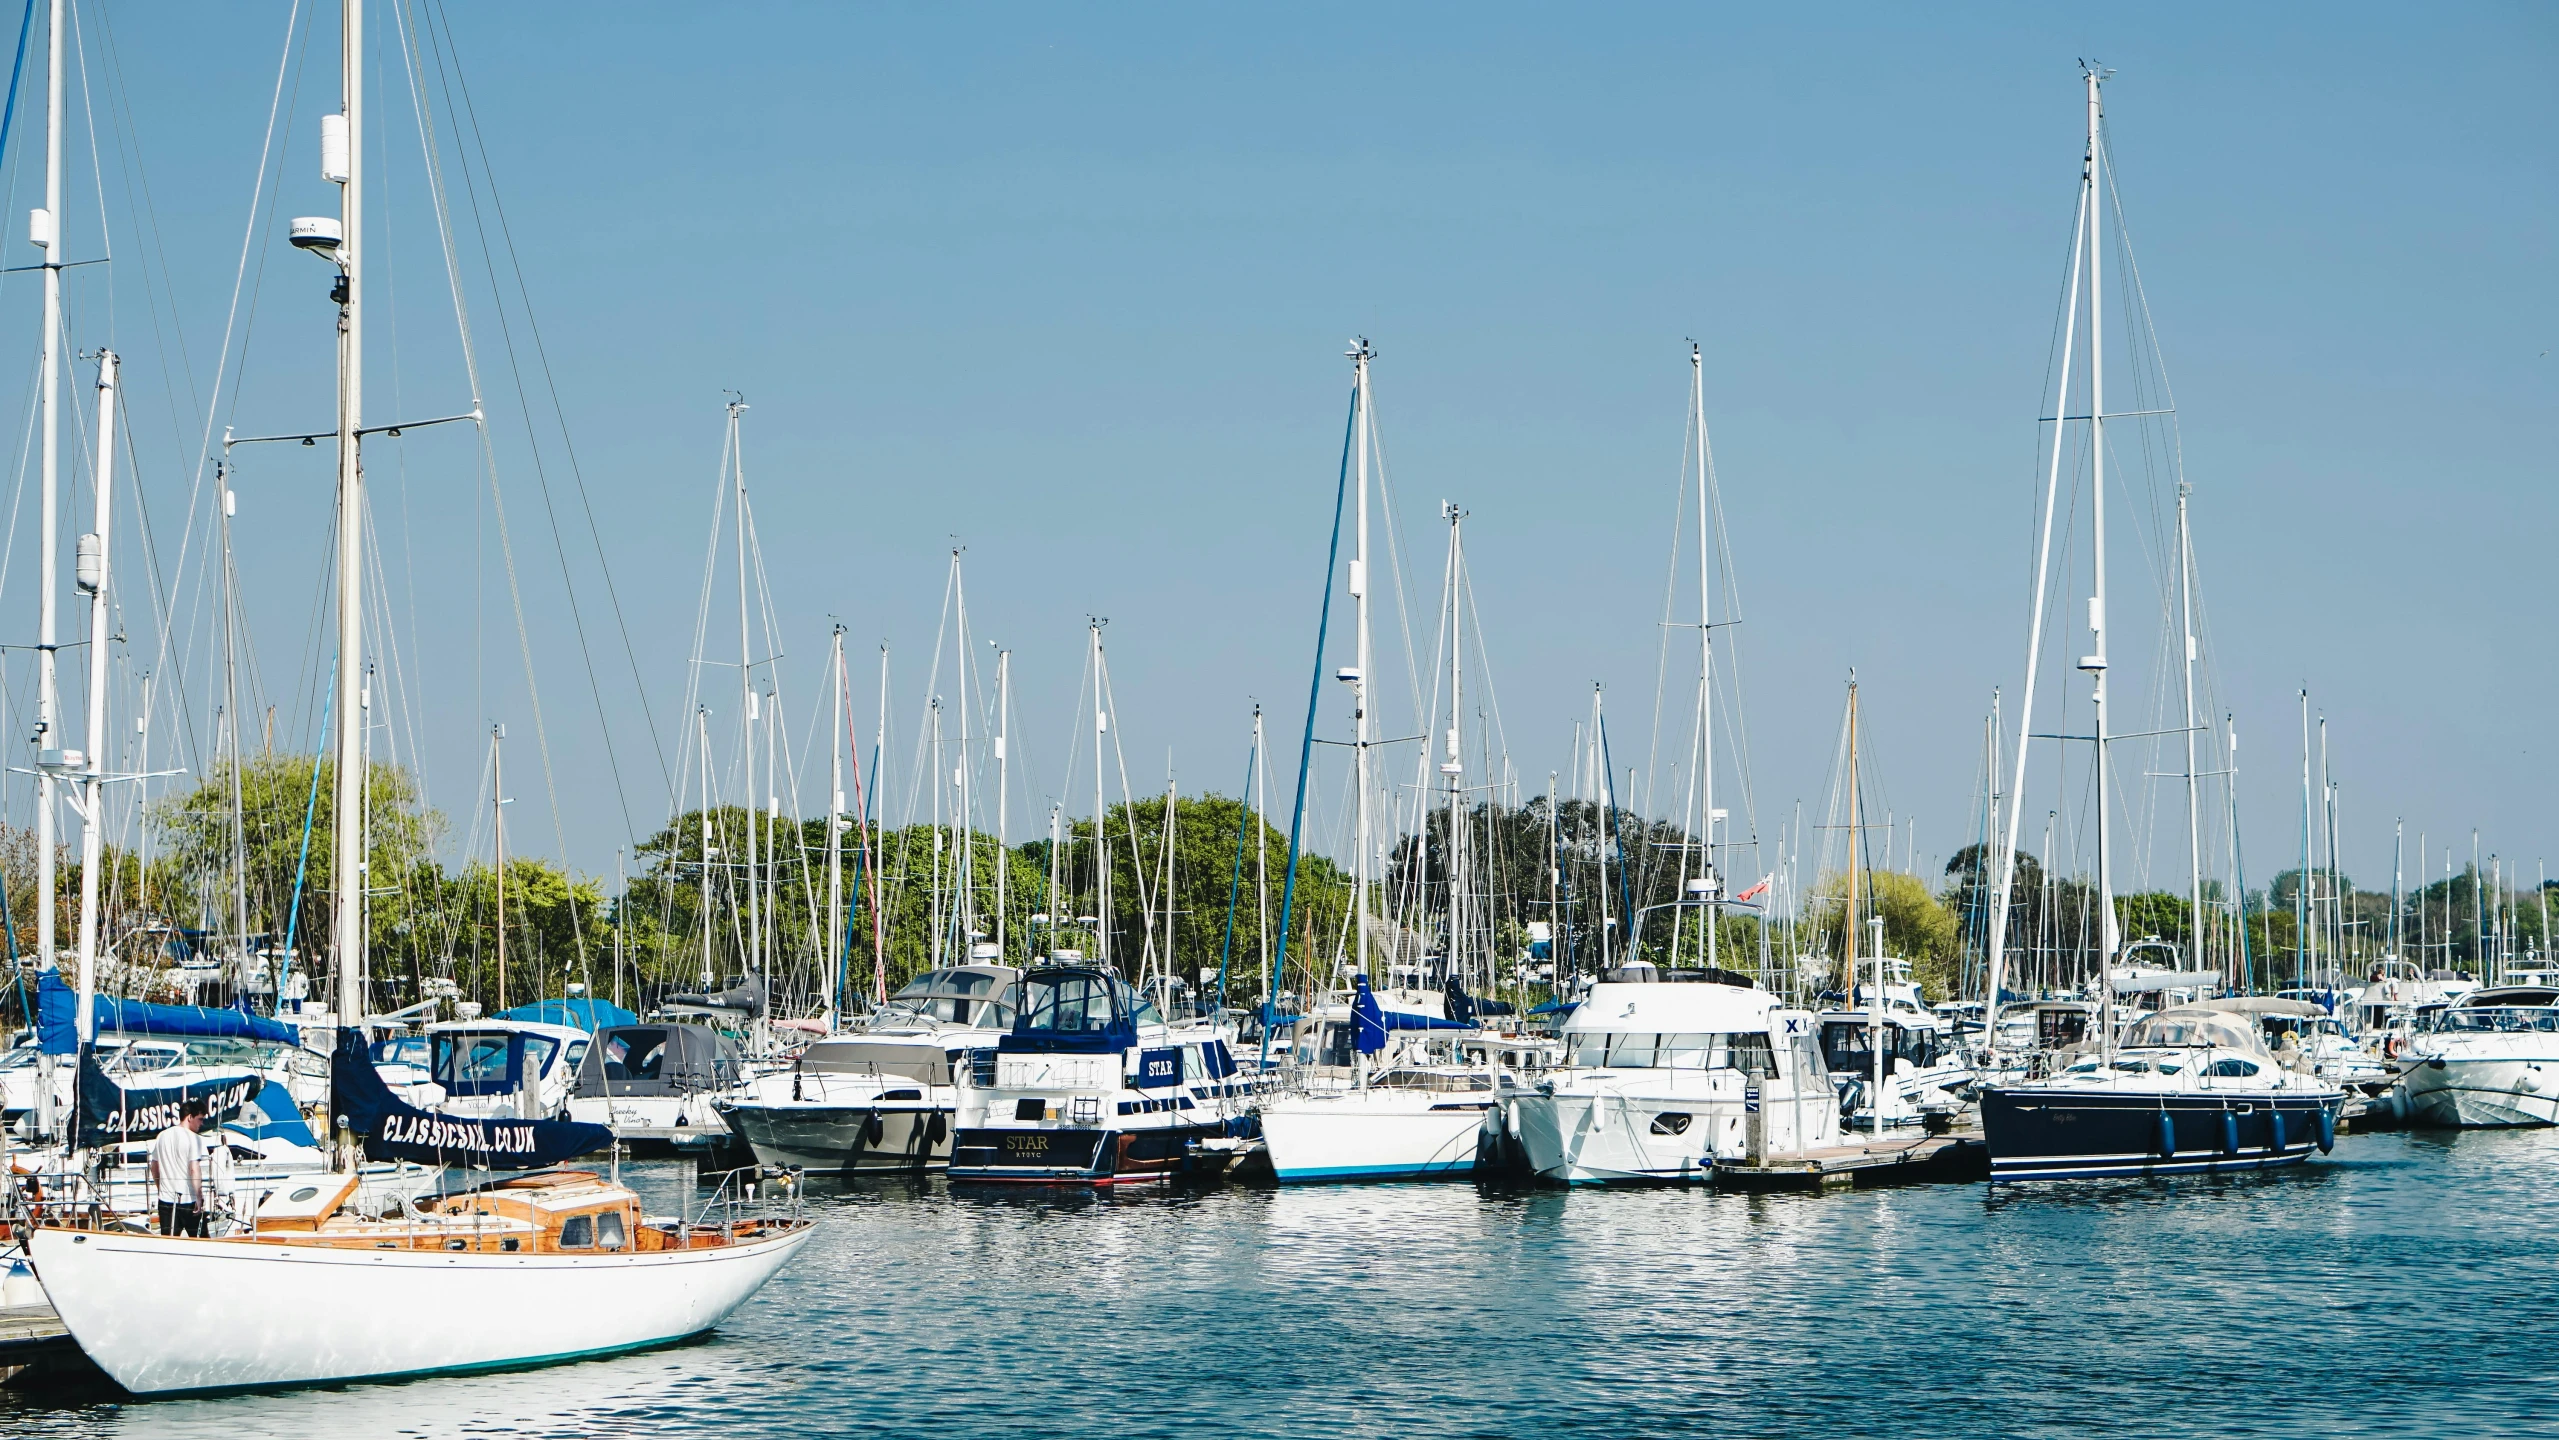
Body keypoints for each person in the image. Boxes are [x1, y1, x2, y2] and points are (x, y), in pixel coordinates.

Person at [149, 1098, 211, 1237]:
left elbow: (154, 1166)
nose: (202, 1123)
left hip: (166, 1200)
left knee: (169, 1243)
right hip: (189, 1200)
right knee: (202, 1242)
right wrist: (199, 1197)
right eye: (200, 1119)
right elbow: (194, 1168)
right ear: (190, 1117)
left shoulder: (162, 1136)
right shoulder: (194, 1138)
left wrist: (161, 1187)